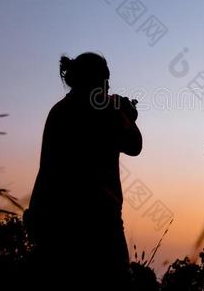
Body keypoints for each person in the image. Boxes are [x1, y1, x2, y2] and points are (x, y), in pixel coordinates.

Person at [26, 52, 142, 288]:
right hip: (99, 221)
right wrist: (128, 115)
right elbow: (135, 145)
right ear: (100, 81)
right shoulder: (105, 111)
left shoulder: (59, 111)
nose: (108, 88)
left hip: (54, 218)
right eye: (106, 82)